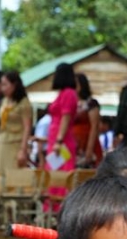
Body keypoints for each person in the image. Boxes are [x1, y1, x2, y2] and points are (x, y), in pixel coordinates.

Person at [44, 63, 79, 202]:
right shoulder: (63, 93)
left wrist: (59, 141)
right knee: (53, 173)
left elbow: (66, 117)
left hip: (62, 142)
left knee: (61, 174)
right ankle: (51, 209)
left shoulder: (69, 94)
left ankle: (58, 208)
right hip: (55, 140)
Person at [0, 71, 33, 178]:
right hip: (2, 142)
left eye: (5, 84)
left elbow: (27, 127)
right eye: (1, 85)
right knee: (1, 177)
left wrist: (23, 150)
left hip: (16, 144)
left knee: (14, 176)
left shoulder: (24, 103)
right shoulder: (4, 101)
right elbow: (1, 126)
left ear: (14, 84)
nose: (2, 88)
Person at [73, 73, 102, 168]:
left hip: (87, 141)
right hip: (73, 143)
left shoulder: (91, 103)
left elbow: (94, 126)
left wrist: (89, 149)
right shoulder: (70, 103)